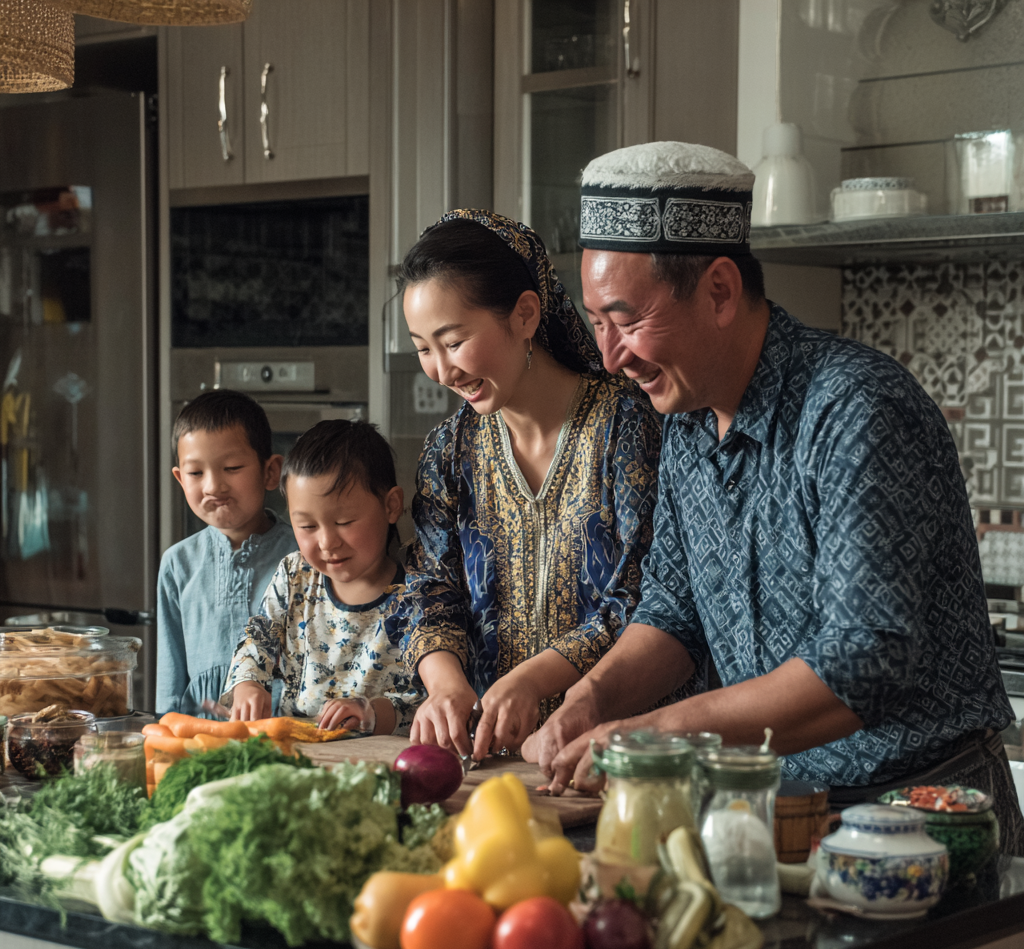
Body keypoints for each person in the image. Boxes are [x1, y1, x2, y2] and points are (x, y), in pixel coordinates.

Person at [523, 141, 1024, 853]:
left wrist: (657, 730)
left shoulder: (855, 409)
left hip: (924, 820)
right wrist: (592, 698)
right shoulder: (689, 423)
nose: (611, 357)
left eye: (629, 322)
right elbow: (675, 608)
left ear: (720, 291)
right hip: (781, 815)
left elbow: (860, 663)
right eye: (598, 323)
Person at [393, 210, 662, 761]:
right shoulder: (450, 450)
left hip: (617, 753)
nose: (442, 371)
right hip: (491, 758)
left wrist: (532, 681)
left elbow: (645, 596)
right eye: (424, 348)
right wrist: (445, 684)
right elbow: (427, 584)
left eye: (454, 340)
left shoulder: (626, 426)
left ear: (525, 314)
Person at [222, 418, 425, 735]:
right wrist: (248, 683)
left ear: (391, 505)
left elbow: (424, 702)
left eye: (344, 521)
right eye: (307, 527)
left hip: (379, 758)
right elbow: (257, 638)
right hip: (297, 751)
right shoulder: (294, 574)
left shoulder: (418, 594)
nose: (327, 542)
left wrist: (370, 714)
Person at [156, 390, 296, 716]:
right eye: (195, 473)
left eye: (231, 467)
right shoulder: (177, 564)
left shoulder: (303, 556)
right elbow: (170, 675)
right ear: (179, 479)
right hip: (199, 741)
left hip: (283, 735)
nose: (213, 486)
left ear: (270, 471)